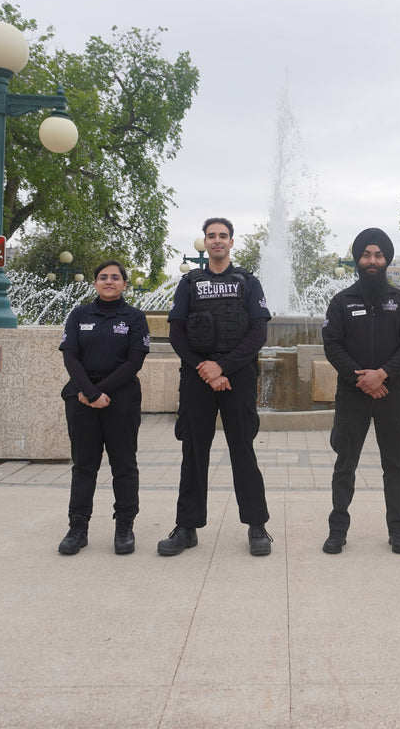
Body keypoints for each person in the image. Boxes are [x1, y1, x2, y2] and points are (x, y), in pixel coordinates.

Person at [158, 218, 274, 557]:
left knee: (243, 450)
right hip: (197, 376)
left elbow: (258, 334)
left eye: (223, 236)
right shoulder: (189, 283)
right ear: (205, 242)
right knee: (194, 452)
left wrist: (222, 367)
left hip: (236, 376)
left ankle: (256, 526)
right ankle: (186, 528)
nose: (217, 241)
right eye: (212, 236)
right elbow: (177, 333)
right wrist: (205, 369)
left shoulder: (248, 283)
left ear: (232, 243)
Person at [321, 228, 400, 555]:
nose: (372, 260)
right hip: (352, 396)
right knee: (345, 464)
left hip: (391, 395)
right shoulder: (341, 302)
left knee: (395, 465)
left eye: (378, 255)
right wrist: (360, 379)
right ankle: (337, 531)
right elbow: (332, 346)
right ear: (358, 260)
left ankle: (398, 531)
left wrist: (382, 375)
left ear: (387, 260)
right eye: (366, 254)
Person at [57, 260, 151, 556]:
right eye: (102, 277)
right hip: (82, 399)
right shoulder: (79, 315)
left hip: (120, 399)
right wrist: (88, 391)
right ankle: (78, 527)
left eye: (115, 277)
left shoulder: (135, 317)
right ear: (95, 283)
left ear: (124, 283)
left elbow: (135, 361)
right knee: (84, 465)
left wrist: (101, 392)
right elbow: (71, 356)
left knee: (124, 465)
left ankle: (124, 526)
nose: (108, 281)